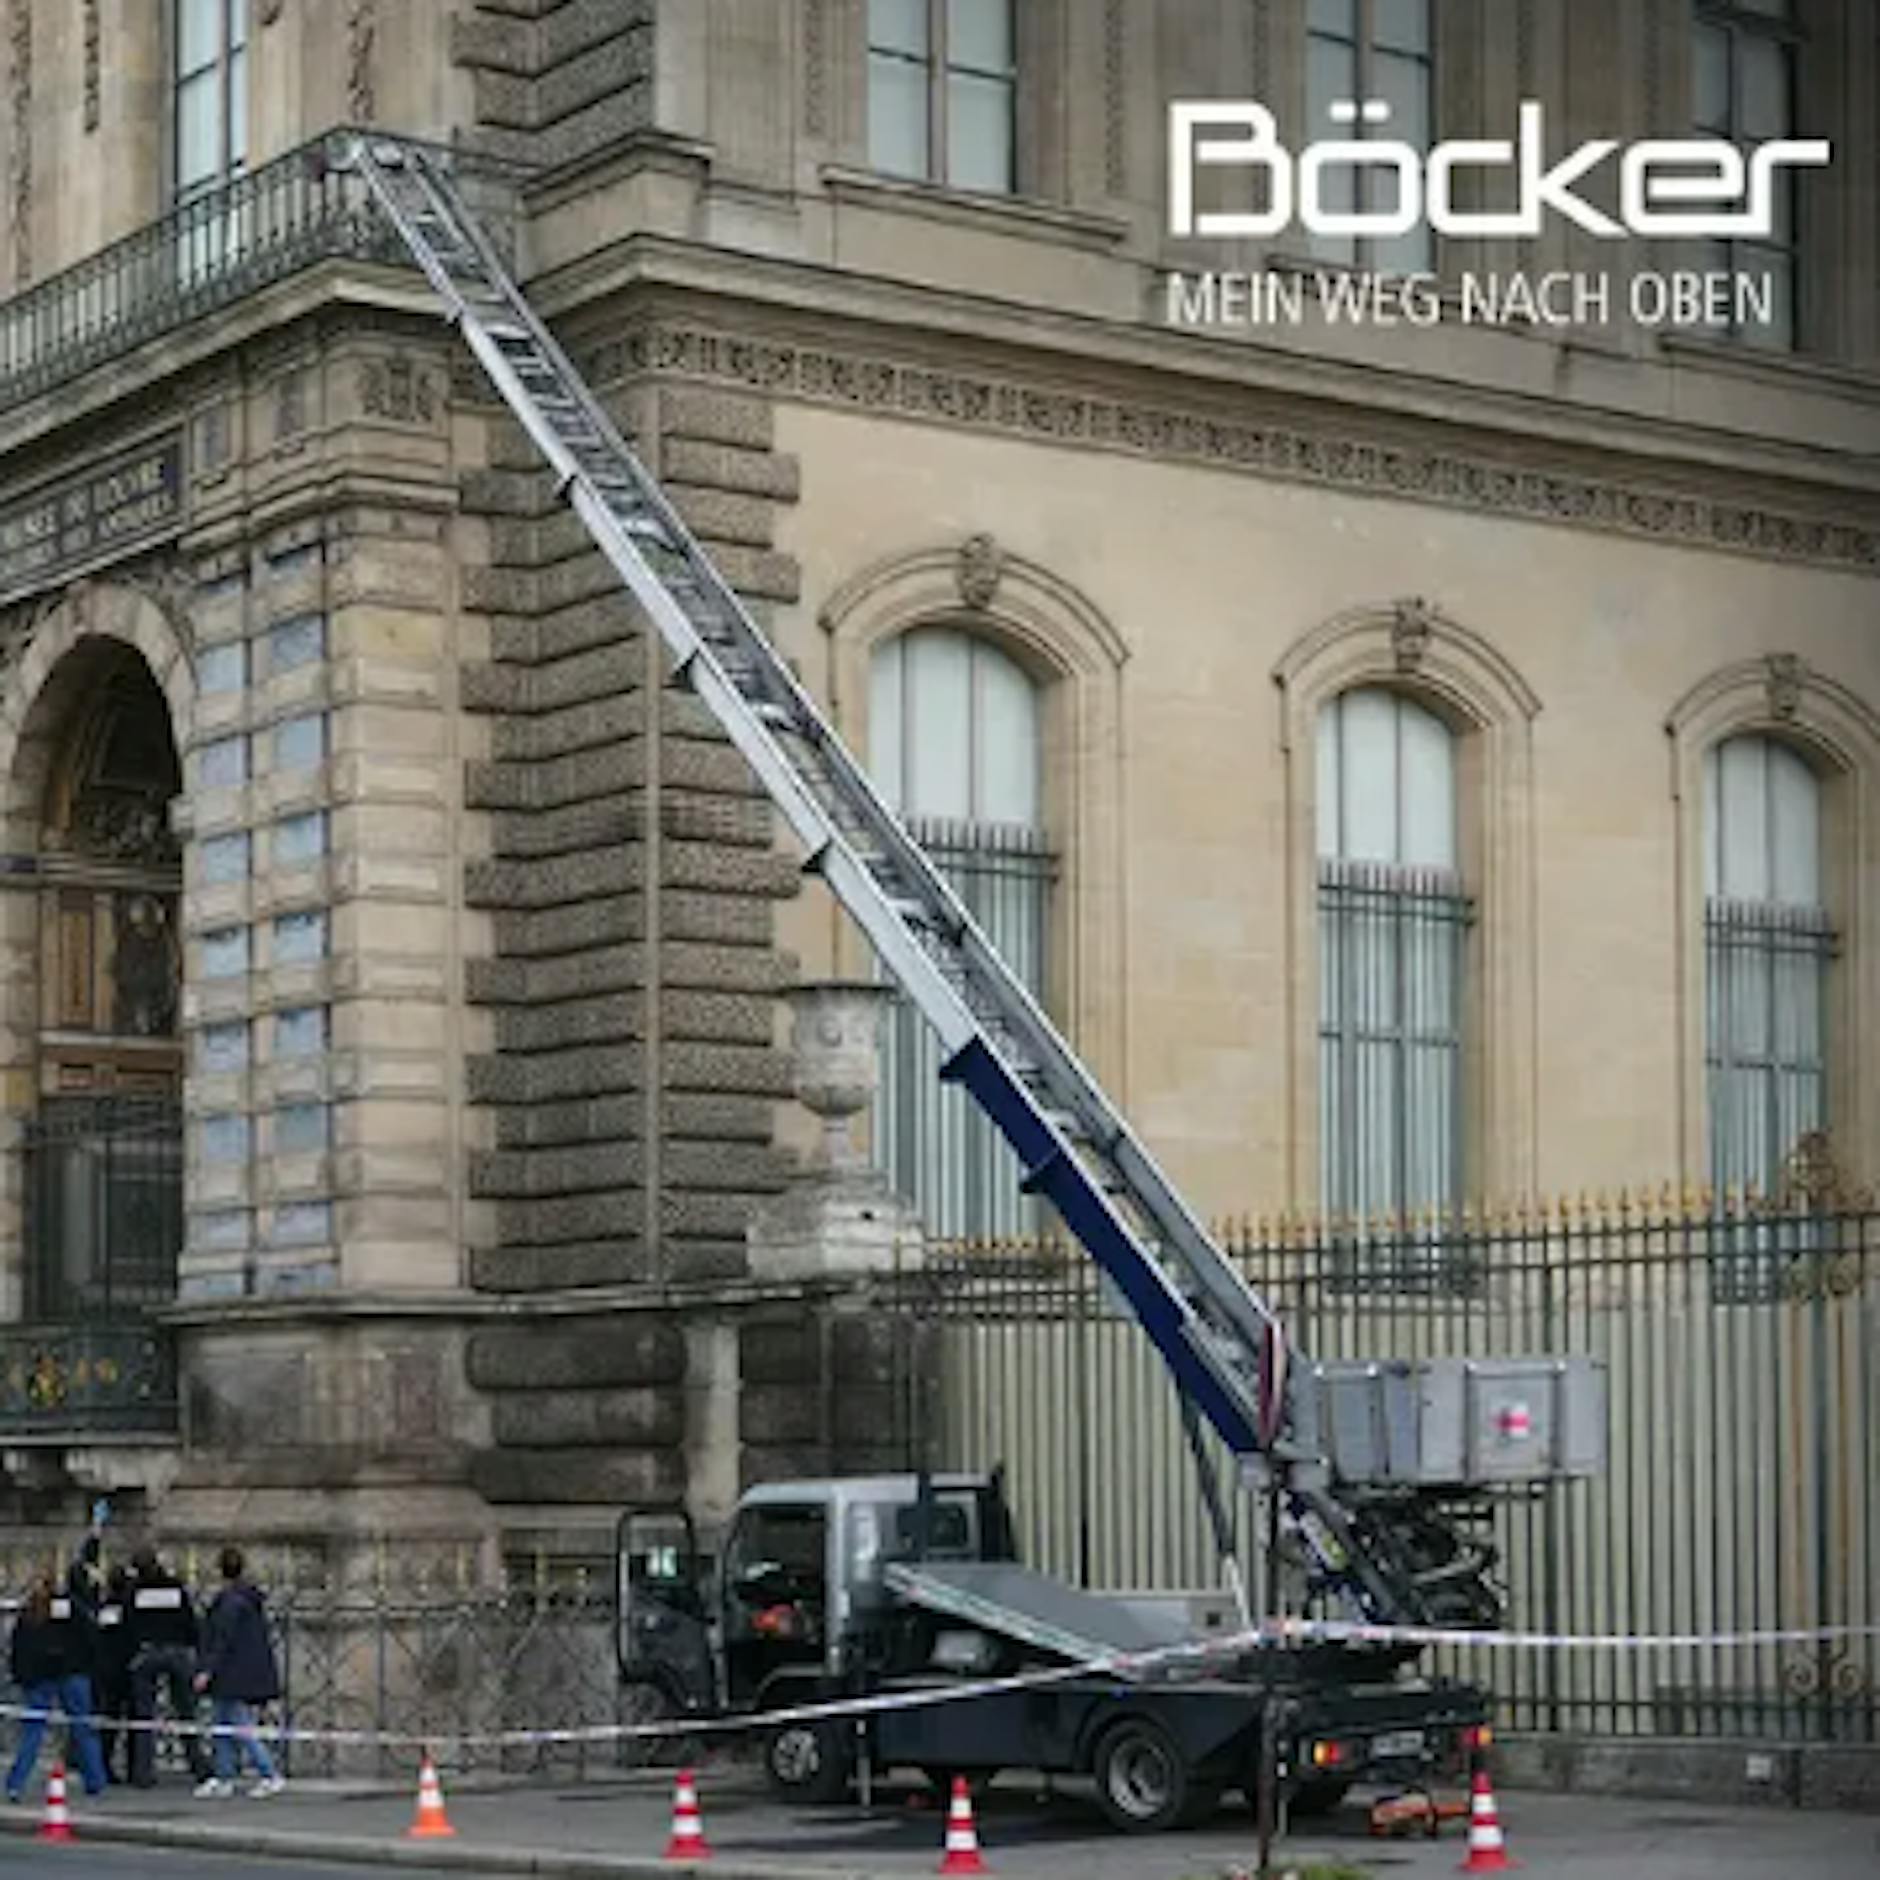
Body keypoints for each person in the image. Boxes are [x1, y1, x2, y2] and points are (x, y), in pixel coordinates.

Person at [5, 1575, 107, 1803]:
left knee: (33, 1732)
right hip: (73, 1672)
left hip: (38, 1678)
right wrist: (87, 1665)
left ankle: (16, 1784)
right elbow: (92, 1634)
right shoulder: (71, 1607)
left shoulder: (30, 1613)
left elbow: (19, 1648)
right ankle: (96, 1782)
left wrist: (22, 1677)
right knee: (83, 1727)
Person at [194, 1547, 284, 1799]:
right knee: (222, 1726)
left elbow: (223, 1640)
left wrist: (206, 1671)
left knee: (240, 1726)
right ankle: (224, 1776)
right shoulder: (246, 1598)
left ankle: (269, 1773)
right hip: (238, 1672)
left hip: (232, 1673)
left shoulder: (230, 1602)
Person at [125, 1544, 212, 1788]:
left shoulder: (135, 1590)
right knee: (186, 1710)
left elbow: (127, 1624)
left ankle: (143, 1771)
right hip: (176, 1651)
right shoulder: (174, 1587)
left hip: (147, 1651)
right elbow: (190, 1621)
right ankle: (198, 1764)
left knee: (144, 1716)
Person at [93, 1565, 137, 1786]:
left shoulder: (107, 1607)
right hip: (126, 1667)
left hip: (108, 1669)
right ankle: (133, 1767)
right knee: (132, 1722)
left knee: (110, 1722)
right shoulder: (130, 1605)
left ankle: (105, 1765)